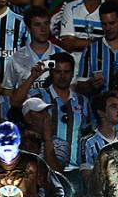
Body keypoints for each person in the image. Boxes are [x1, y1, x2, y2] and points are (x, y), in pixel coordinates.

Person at [21, 52, 91, 184]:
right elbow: (15, 102)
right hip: (44, 167)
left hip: (76, 170)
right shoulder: (38, 96)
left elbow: (88, 135)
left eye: (66, 71)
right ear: (51, 72)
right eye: (58, 71)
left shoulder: (83, 101)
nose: (62, 76)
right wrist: (33, 77)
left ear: (73, 73)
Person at [2, 5, 63, 91]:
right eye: (37, 25)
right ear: (28, 29)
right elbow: (7, 91)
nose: (43, 29)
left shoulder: (61, 55)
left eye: (46, 23)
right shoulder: (17, 58)